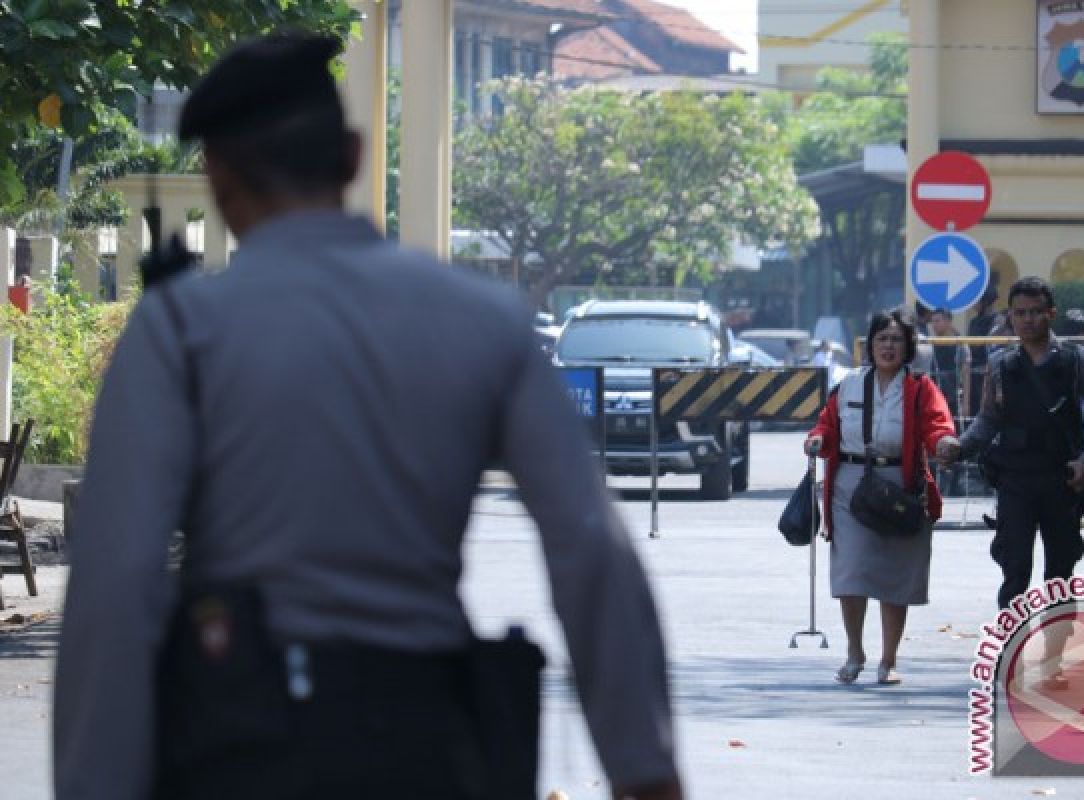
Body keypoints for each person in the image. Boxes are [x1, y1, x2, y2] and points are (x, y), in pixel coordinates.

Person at [54, 35, 681, 800]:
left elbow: (116, 579)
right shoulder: (483, 319)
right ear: (353, 158)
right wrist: (644, 770)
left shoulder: (181, 331)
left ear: (217, 176)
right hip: (430, 746)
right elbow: (591, 546)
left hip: (235, 745)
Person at [803, 308, 958, 686]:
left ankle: (888, 660)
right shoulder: (848, 385)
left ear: (908, 346)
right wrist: (818, 438)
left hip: (902, 485)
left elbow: (938, 425)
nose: (889, 346)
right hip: (850, 486)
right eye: (882, 339)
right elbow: (826, 422)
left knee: (895, 575)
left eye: (896, 339)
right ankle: (855, 651)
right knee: (851, 571)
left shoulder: (921, 387)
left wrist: (945, 444)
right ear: (869, 345)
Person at [946, 277, 1084, 614]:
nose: (1028, 319)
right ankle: (1011, 652)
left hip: (1063, 478)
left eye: (1036, 312)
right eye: (1020, 313)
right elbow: (988, 419)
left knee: (1060, 574)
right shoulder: (1001, 364)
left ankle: (1056, 652)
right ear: (1010, 316)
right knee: (1015, 569)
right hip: (1015, 479)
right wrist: (959, 447)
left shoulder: (1075, 360)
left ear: (1050, 314)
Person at [929, 308, 971, 429]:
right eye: (932, 321)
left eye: (937, 321)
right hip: (935, 397)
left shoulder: (960, 344)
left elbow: (966, 373)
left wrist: (966, 403)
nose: (934, 325)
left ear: (948, 321)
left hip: (955, 398)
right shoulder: (930, 344)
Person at [967, 285, 1001, 418]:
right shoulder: (973, 322)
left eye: (977, 299)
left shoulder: (998, 321)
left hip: (989, 372)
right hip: (973, 375)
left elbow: (991, 346)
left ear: (985, 301)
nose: (973, 303)